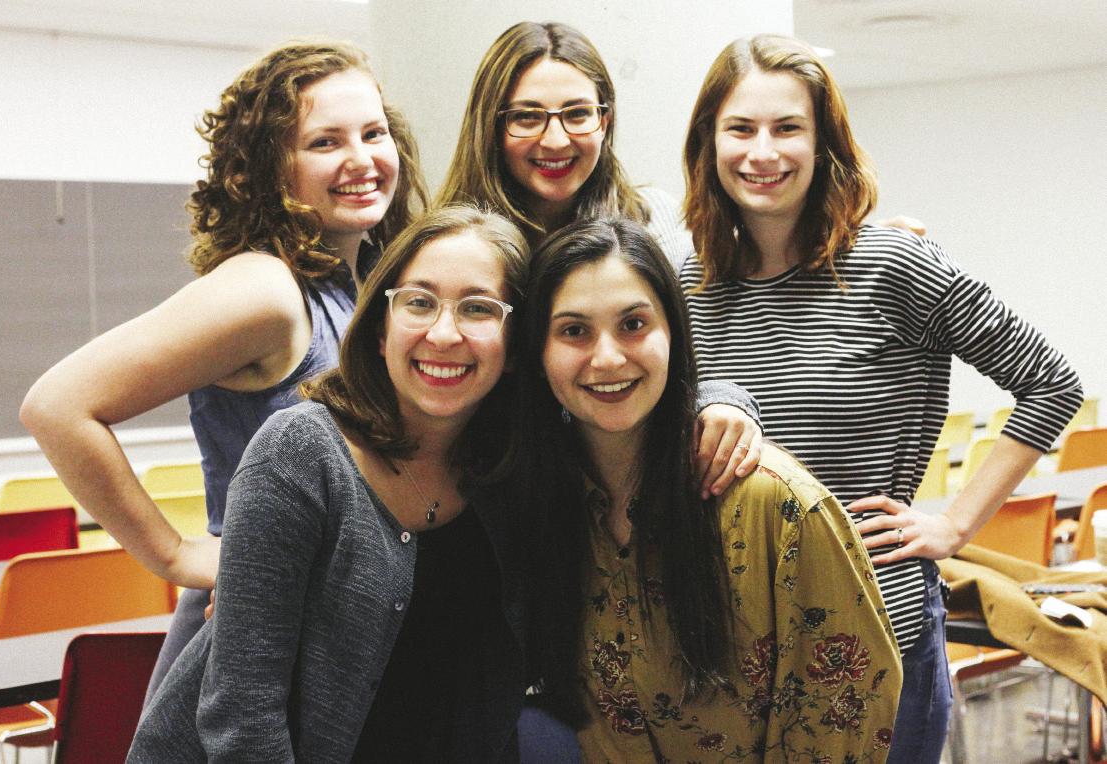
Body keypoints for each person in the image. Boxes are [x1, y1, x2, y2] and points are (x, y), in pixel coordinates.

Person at [680, 34, 1083, 762]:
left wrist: (955, 526)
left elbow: (1051, 384)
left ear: (823, 141)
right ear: (707, 143)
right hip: (734, 648)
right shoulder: (687, 288)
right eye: (739, 129)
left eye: (787, 128)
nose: (761, 152)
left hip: (875, 633)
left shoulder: (892, 264)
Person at [18, 40, 428, 702]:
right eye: (325, 142)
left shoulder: (360, 286)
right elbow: (57, 405)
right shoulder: (265, 288)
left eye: (373, 132)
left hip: (326, 640)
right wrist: (177, 557)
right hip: (247, 651)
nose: (361, 159)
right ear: (270, 169)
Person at [129, 205, 529, 761]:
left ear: (515, 344)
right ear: (382, 325)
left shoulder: (510, 475)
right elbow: (243, 720)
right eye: (418, 301)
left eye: (479, 308)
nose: (443, 332)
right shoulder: (300, 453)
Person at [517, 217, 901, 761]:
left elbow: (840, 715)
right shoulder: (542, 507)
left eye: (633, 324)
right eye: (574, 331)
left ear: (673, 332)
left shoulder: (778, 505)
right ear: (538, 351)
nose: (607, 358)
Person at [437, 21, 762, 498]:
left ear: (605, 121)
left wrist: (724, 401)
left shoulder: (658, 223)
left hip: (630, 494)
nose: (555, 140)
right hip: (487, 493)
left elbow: (700, 352)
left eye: (577, 114)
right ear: (492, 123)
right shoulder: (456, 247)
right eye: (527, 116)